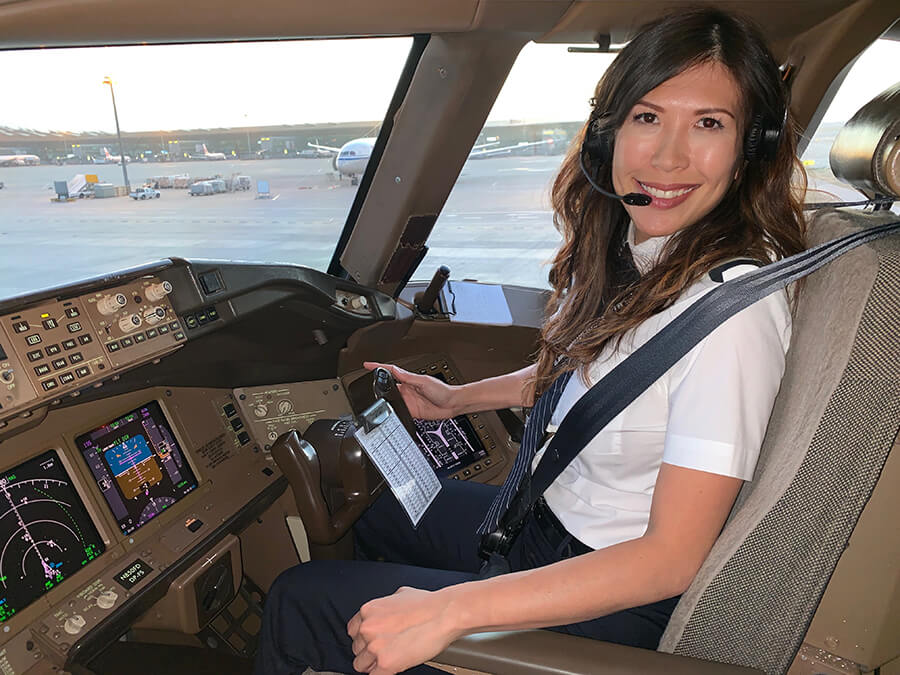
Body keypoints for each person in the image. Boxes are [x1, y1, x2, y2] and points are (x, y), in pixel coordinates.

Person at [255, 7, 806, 675]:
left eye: (709, 124)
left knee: (295, 601)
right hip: (544, 522)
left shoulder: (729, 316)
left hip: (606, 589)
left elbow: (670, 558)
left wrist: (452, 612)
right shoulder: (650, 253)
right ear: (610, 132)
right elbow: (594, 379)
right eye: (647, 116)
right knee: (377, 510)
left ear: (752, 146)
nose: (668, 156)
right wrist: (455, 398)